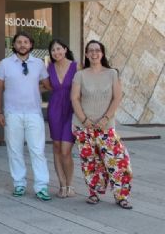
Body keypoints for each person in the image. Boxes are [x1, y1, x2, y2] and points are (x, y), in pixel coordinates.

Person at [71, 40, 133, 209]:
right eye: (90, 51)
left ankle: (121, 196)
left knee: (118, 161)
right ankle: (94, 193)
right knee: (90, 162)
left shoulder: (112, 73)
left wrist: (105, 118)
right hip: (84, 127)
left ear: (102, 53)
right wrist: (85, 120)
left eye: (97, 50)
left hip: (106, 127)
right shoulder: (80, 75)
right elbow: (74, 98)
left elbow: (117, 97)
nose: (94, 53)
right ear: (86, 54)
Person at [0, 31, 52, 201]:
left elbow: (47, 85)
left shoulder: (39, 64)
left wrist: (35, 90)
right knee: (14, 150)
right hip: (12, 113)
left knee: (37, 151)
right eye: (19, 42)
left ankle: (41, 186)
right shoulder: (5, 64)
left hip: (34, 113)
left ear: (31, 45)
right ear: (13, 45)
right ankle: (19, 184)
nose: (22, 45)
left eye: (25, 42)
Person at [47, 39, 78, 198]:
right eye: (53, 50)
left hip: (72, 110)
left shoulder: (76, 66)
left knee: (66, 150)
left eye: (59, 49)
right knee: (57, 147)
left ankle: (70, 184)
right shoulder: (49, 68)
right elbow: (45, 86)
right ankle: (62, 185)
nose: (56, 52)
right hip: (54, 110)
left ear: (65, 49)